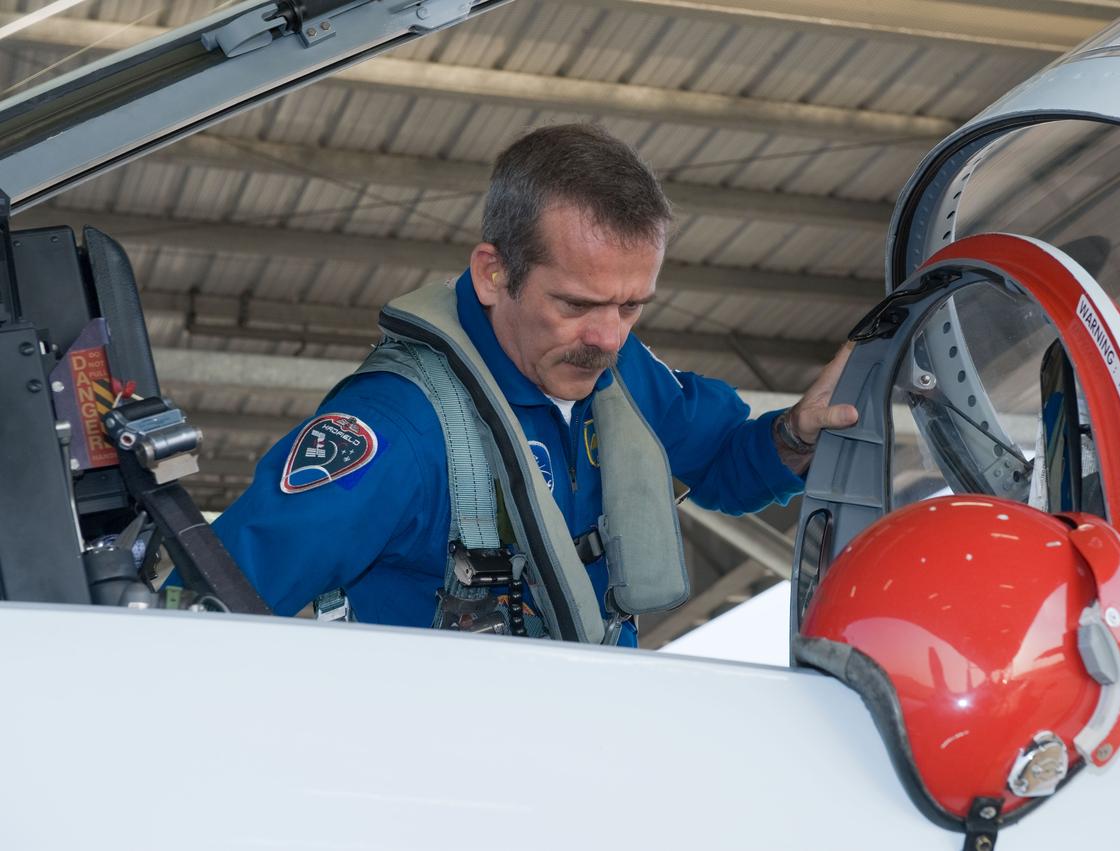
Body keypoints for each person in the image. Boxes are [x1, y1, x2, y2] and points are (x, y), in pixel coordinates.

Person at [212, 123, 858, 646]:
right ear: (494, 274)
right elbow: (212, 604)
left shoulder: (621, 372)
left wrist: (796, 433)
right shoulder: (397, 429)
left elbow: (723, 460)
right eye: (576, 304)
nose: (608, 338)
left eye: (632, 305)